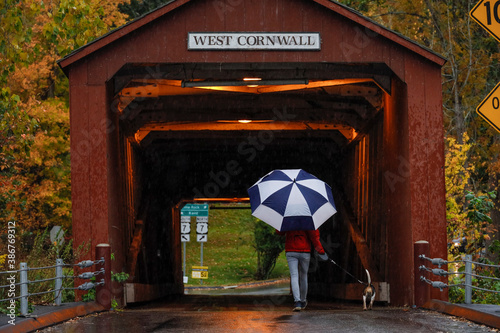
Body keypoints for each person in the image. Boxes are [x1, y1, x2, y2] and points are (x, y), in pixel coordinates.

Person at [277, 229, 328, 311]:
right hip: (305, 251)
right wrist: (320, 251)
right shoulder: (307, 219)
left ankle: (297, 301)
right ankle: (303, 300)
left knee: (294, 275)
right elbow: (314, 236)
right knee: (303, 276)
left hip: (291, 250)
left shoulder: (289, 218)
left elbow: (280, 232)